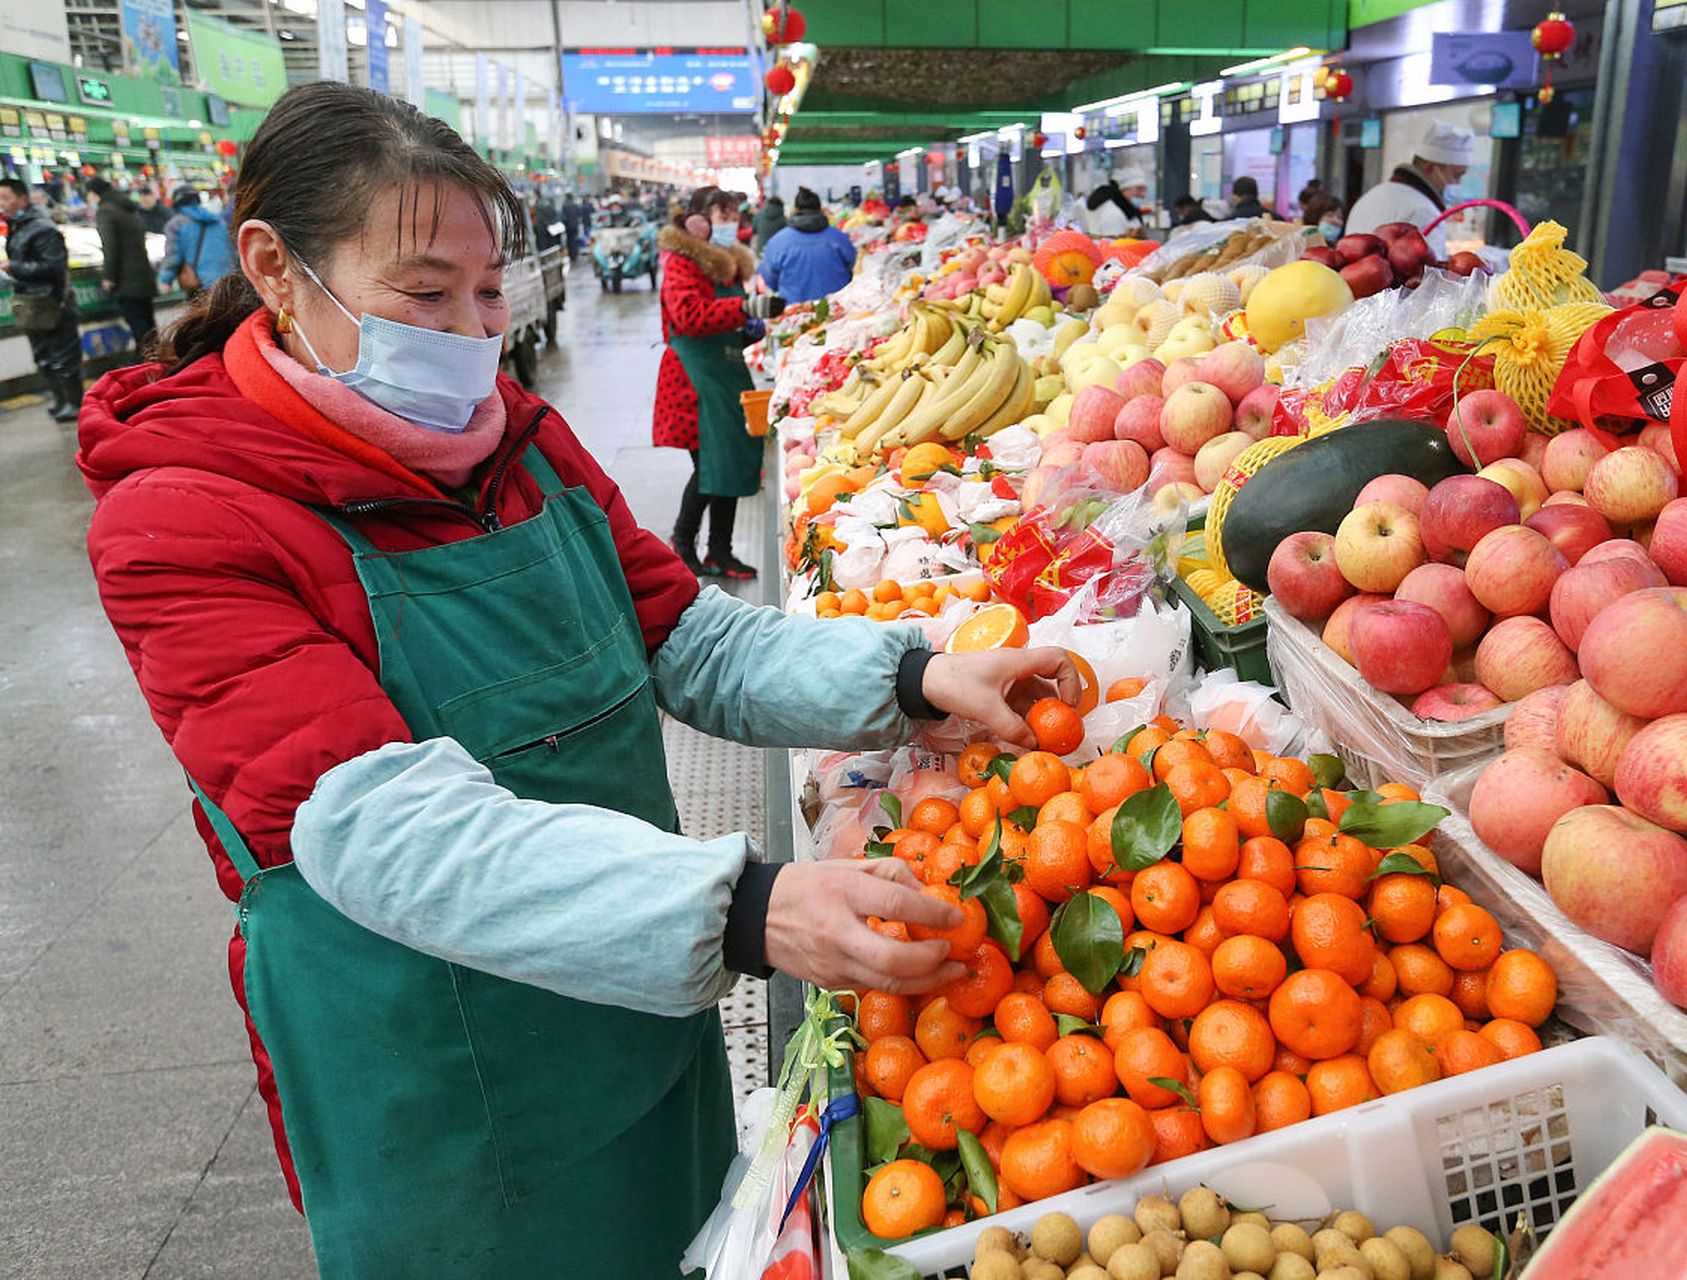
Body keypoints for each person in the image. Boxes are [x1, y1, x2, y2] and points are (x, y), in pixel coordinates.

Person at [76, 81, 1075, 1278]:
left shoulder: (516, 439)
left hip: (640, 999)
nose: (466, 332)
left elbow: (687, 640)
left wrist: (918, 675)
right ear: (276, 269)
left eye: (487, 291)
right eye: (422, 295)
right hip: (443, 1080)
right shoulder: (185, 518)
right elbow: (379, 826)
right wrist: (747, 906)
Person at [652, 188, 784, 578]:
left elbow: (726, 320)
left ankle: (720, 551)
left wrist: (749, 329)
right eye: (721, 214)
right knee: (710, 466)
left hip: (727, 372)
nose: (730, 221)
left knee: (732, 462)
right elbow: (690, 315)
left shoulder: (728, 263)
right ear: (698, 220)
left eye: (733, 214)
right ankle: (682, 543)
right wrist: (743, 307)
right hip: (695, 378)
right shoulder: (681, 262)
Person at [1, 178, 84, 421]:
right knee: (43, 356)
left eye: (6, 198)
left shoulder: (42, 228)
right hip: (31, 303)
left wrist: (14, 267)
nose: (2, 203)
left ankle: (75, 403)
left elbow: (54, 266)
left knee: (64, 356)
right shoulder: (18, 227)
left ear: (22, 199)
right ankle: (60, 401)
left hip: (52, 302)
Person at [1343, 120, 1474, 259]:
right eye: (1456, 175)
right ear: (1431, 167)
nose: (1458, 183)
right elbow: (1432, 274)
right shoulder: (1424, 211)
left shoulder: (1373, 194)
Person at [86, 177, 159, 357]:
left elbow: (110, 246)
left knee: (139, 327)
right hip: (143, 275)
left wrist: (109, 277)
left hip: (126, 280)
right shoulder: (129, 208)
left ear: (94, 194)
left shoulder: (105, 212)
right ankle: (160, 362)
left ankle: (150, 366)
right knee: (149, 325)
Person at [758, 187, 856, 303]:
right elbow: (851, 266)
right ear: (821, 210)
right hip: (837, 309)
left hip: (795, 312)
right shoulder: (838, 237)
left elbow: (770, 278)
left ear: (794, 210)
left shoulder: (777, 241)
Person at [158, 186, 235, 295]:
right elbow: (232, 250)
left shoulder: (176, 224)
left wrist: (166, 280)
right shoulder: (218, 221)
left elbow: (173, 255)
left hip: (199, 284)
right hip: (226, 283)